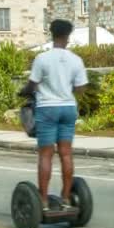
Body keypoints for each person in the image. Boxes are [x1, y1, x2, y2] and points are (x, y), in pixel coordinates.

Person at [19, 19, 88, 211]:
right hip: (68, 108)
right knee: (66, 153)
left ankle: (43, 201)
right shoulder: (76, 60)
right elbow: (82, 87)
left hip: (47, 109)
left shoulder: (42, 58)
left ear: (51, 34)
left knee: (46, 154)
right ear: (68, 36)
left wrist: (26, 91)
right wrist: (67, 88)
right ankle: (66, 198)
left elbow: (33, 84)